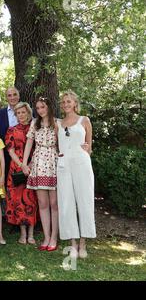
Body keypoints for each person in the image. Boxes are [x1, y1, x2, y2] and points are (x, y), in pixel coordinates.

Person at [57, 91, 96, 258]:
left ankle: (83, 243)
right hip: (64, 164)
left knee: (84, 200)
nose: (66, 104)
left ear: (75, 103)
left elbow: (89, 147)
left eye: (69, 101)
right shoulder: (58, 123)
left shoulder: (84, 120)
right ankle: (72, 243)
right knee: (66, 202)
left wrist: (87, 150)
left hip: (81, 163)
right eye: (63, 102)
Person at [22, 96, 59, 252]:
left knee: (54, 204)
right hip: (38, 163)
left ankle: (54, 237)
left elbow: (62, 144)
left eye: (43, 107)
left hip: (53, 162)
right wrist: (24, 163)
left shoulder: (57, 123)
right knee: (42, 204)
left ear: (49, 107)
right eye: (38, 108)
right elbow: (29, 142)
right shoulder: (34, 123)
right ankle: (46, 236)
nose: (40, 110)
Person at [5, 102, 37, 245]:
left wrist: (29, 165)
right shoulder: (11, 130)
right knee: (18, 201)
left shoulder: (35, 128)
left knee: (31, 199)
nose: (21, 115)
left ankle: (31, 234)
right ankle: (22, 234)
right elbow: (10, 151)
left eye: (23, 112)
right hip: (16, 168)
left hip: (33, 166)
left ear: (28, 113)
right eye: (18, 113)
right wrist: (21, 165)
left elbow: (37, 148)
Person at [0, 87, 20, 179]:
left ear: (19, 96)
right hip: (5, 155)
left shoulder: (28, 111)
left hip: (24, 155)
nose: (12, 97)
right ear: (6, 98)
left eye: (15, 94)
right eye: (9, 95)